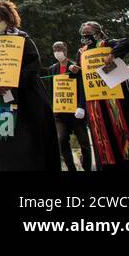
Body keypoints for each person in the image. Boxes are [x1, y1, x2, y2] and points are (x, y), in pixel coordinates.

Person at [0, 0, 58, 171]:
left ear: (8, 18)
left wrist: (13, 82)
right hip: (0, 98)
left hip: (27, 98)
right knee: (3, 140)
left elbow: (34, 65)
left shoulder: (22, 38)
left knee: (30, 141)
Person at [77, 21, 129, 171]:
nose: (85, 36)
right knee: (102, 137)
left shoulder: (107, 44)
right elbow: (81, 78)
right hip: (94, 101)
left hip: (115, 100)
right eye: (83, 34)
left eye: (88, 33)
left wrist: (113, 54)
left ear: (96, 33)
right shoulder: (82, 52)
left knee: (122, 131)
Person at [47, 41, 92, 171]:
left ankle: (87, 167)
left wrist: (81, 106)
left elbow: (83, 88)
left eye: (60, 48)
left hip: (76, 113)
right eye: (55, 48)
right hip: (60, 114)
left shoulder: (75, 67)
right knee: (62, 140)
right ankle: (71, 168)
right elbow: (51, 91)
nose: (57, 51)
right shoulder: (52, 69)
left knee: (84, 143)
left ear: (66, 50)